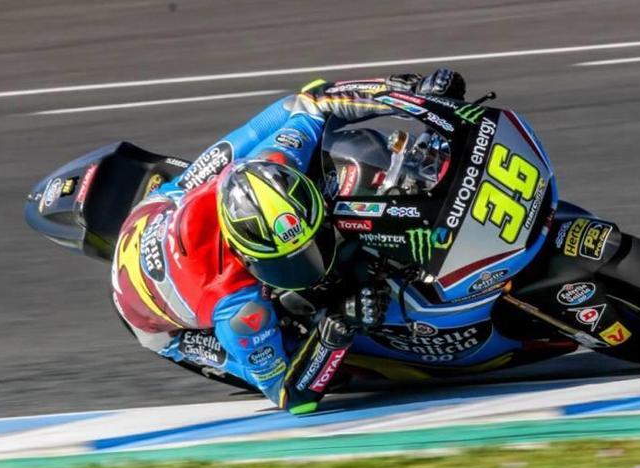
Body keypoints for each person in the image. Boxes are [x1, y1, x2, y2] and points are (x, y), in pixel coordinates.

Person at [110, 69, 466, 414]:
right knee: (310, 349)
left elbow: (316, 100)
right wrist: (336, 330)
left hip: (169, 201)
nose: (310, 263)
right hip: (158, 323)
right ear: (245, 254)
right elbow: (291, 397)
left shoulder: (276, 159)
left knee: (294, 108)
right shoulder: (236, 306)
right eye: (287, 261)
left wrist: (410, 95)